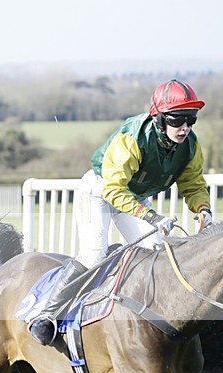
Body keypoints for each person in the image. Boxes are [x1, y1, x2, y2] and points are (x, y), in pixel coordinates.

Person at [28, 79, 214, 346]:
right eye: (177, 120)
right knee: (94, 254)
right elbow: (113, 190)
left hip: (133, 196)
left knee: (158, 252)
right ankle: (46, 314)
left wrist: (203, 210)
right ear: (159, 119)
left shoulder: (190, 146)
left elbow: (193, 183)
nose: (184, 128)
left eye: (191, 120)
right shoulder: (132, 138)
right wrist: (150, 216)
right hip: (100, 191)